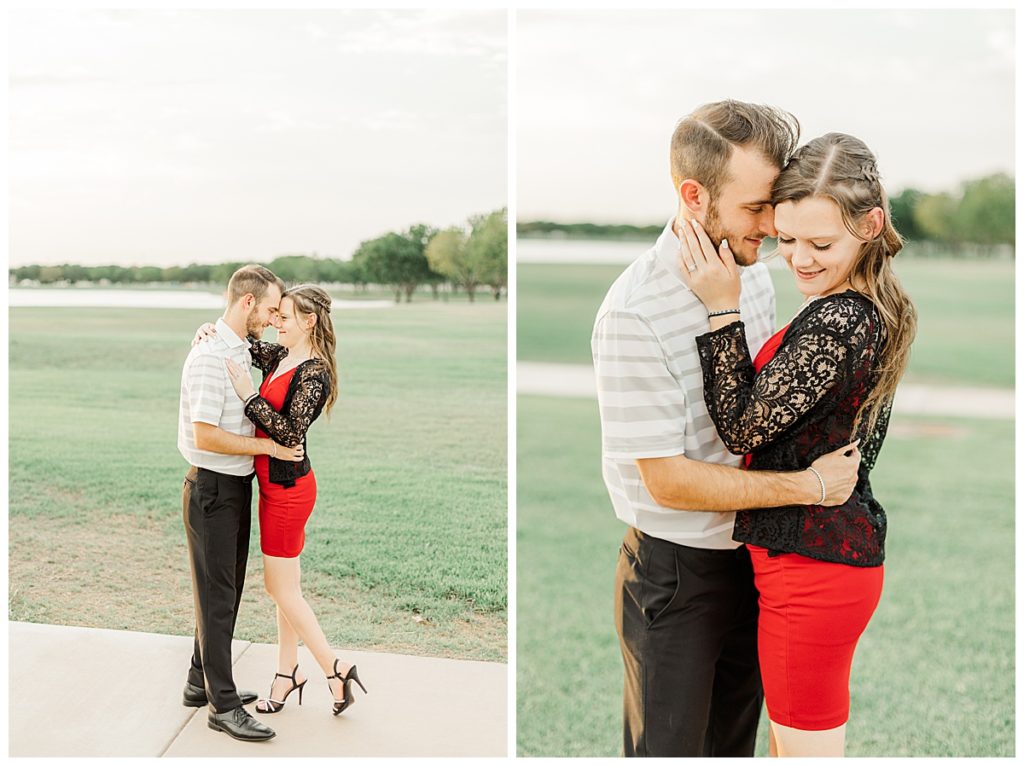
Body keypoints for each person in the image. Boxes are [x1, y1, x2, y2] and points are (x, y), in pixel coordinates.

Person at [592, 101, 862, 757]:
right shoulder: (634, 313)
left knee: (732, 749)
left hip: (758, 564)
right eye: (757, 207)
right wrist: (807, 487)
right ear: (694, 194)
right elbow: (668, 483)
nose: (774, 227)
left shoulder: (752, 274)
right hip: (678, 577)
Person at [679, 132, 917, 756]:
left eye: (820, 243)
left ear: (871, 224)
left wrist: (723, 310)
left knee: (806, 752)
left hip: (811, 576)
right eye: (786, 239)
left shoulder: (838, 320)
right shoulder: (862, 303)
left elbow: (742, 428)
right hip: (816, 561)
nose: (799, 259)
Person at [194, 283, 367, 718]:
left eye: (284, 318)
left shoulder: (315, 372)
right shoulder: (279, 354)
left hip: (289, 492)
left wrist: (248, 396)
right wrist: (208, 331)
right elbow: (239, 341)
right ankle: (287, 673)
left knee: (278, 588)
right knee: (287, 589)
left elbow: (290, 433)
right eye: (275, 316)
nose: (275, 323)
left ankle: (334, 667)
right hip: (272, 487)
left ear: (309, 321)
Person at [178, 263, 304, 742]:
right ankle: (223, 707)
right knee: (216, 598)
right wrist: (269, 448)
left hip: (232, 488)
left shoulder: (235, 348)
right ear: (247, 302)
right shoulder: (213, 357)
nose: (274, 318)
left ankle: (198, 682)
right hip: (212, 488)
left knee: (222, 594)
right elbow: (205, 435)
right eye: (271, 308)